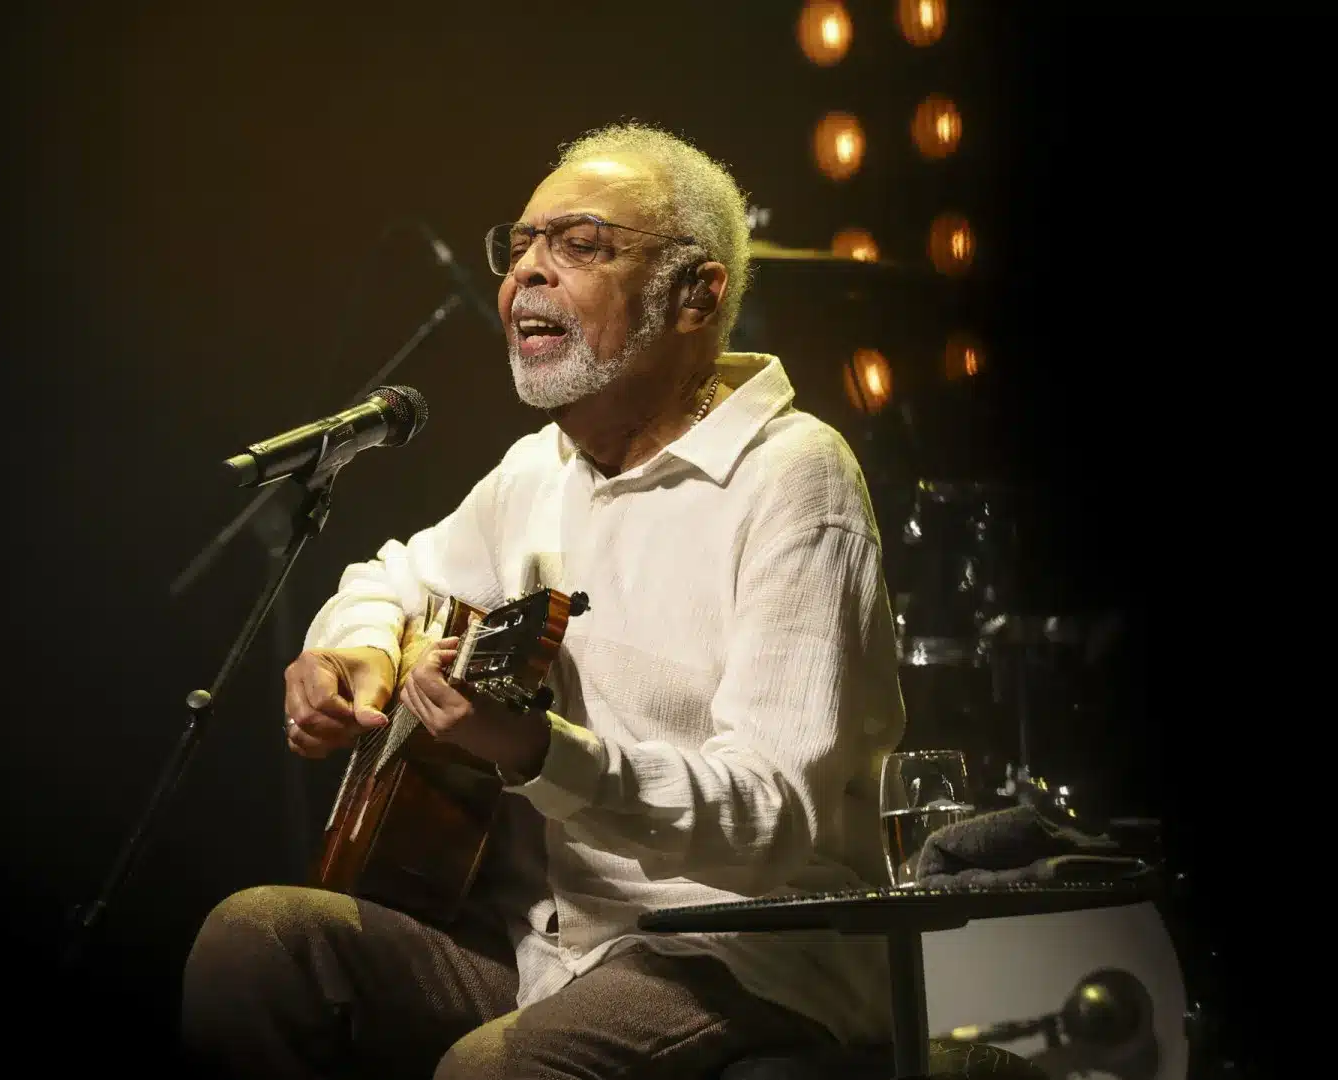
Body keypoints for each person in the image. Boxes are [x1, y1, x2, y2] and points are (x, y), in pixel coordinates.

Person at [180, 121, 907, 1080]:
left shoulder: (794, 477)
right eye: (517, 245)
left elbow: (775, 817)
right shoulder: (539, 471)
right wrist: (359, 654)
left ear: (696, 294)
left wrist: (537, 753)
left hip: (742, 952)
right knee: (257, 943)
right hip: (546, 949)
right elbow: (392, 577)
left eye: (579, 245)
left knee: (492, 1071)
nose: (526, 272)